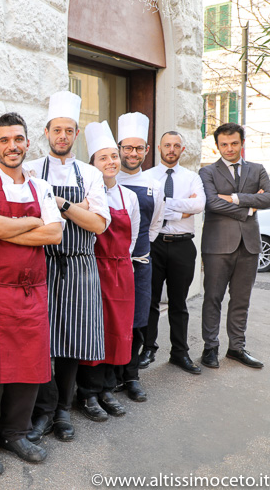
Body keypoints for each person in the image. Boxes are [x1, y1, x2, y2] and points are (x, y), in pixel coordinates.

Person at [0, 112, 63, 476]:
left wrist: (8, 227)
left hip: (31, 292)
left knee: (29, 367)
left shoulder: (42, 187)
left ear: (27, 143)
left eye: (18, 139)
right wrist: (32, 221)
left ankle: (15, 433)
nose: (12, 146)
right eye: (4, 140)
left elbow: (54, 235)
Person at [23, 91, 110, 444]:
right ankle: (44, 409)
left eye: (69, 130)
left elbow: (99, 224)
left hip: (79, 265)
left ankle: (62, 409)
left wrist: (59, 203)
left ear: (76, 134)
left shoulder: (90, 172)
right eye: (56, 129)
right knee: (42, 338)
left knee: (73, 338)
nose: (62, 136)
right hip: (40, 263)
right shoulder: (30, 170)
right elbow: (28, 218)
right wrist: (80, 208)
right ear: (47, 132)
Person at [75, 121, 140, 421]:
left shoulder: (130, 198)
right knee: (94, 332)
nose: (111, 162)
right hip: (94, 269)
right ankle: (88, 393)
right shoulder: (87, 195)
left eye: (114, 156)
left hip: (121, 271)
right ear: (92, 164)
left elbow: (136, 235)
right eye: (103, 158)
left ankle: (108, 388)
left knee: (118, 332)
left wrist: (121, 264)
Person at [199, 122, 270, 370]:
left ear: (242, 143)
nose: (229, 149)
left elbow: (269, 197)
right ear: (217, 145)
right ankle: (210, 348)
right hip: (217, 245)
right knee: (213, 298)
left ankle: (236, 348)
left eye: (234, 143)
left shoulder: (258, 169)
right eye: (224, 144)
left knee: (241, 300)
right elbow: (211, 204)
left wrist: (235, 198)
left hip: (249, 246)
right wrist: (250, 207)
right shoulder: (207, 172)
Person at [141, 131, 205, 374]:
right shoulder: (147, 176)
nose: (171, 149)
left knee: (179, 303)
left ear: (182, 149)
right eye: (167, 145)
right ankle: (148, 348)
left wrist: (164, 204)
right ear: (158, 148)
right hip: (155, 244)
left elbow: (199, 205)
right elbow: (148, 209)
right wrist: (181, 209)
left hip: (182, 246)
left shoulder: (191, 177)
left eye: (176, 145)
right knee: (151, 301)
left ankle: (180, 352)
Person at [115, 112, 164, 402]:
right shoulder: (104, 179)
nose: (132, 153)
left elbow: (155, 224)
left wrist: (140, 250)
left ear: (146, 151)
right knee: (111, 319)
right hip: (109, 264)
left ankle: (131, 375)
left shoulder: (153, 184)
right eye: (127, 148)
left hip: (140, 262)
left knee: (136, 319)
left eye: (138, 148)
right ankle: (109, 375)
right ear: (119, 148)